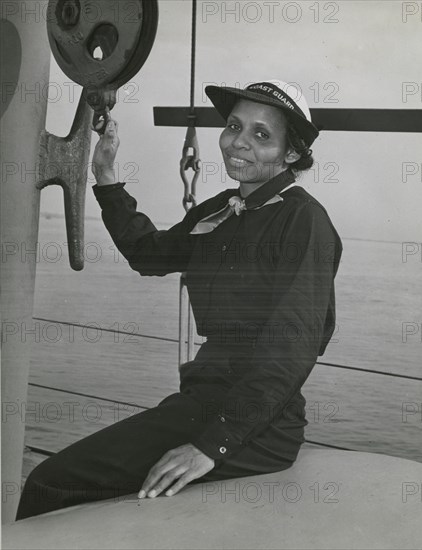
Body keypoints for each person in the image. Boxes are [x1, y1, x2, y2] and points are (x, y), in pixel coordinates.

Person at [16, 80, 342, 520]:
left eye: (261, 135)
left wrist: (211, 447)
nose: (238, 142)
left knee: (50, 483)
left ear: (290, 155)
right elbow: (149, 253)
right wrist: (107, 177)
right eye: (233, 126)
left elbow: (290, 347)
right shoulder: (223, 209)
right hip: (201, 404)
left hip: (259, 427)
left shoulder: (304, 220)